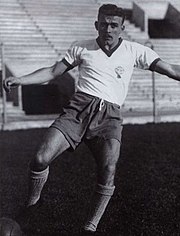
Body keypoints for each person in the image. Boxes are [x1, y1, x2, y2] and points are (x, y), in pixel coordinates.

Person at [3, 3, 180, 235]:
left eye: (114, 25)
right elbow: (53, 71)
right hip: (77, 110)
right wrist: (20, 79)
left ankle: (90, 226)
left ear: (122, 28)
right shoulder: (81, 48)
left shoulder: (136, 51)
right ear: (96, 25)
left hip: (110, 117)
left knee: (109, 168)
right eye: (104, 24)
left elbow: (171, 70)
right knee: (40, 158)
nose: (108, 29)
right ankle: (32, 204)